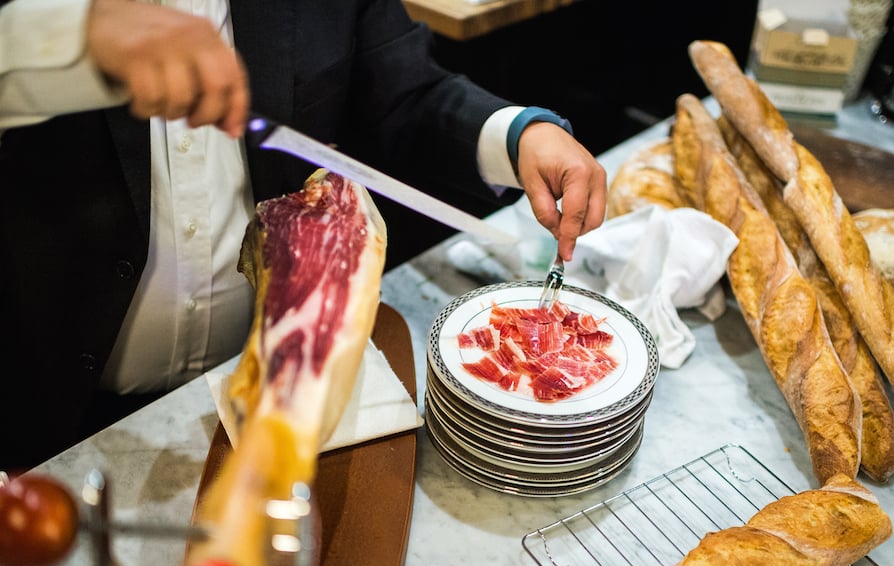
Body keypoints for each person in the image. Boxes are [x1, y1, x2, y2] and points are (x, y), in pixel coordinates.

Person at [0, 0, 607, 472]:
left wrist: (517, 136)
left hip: (271, 385)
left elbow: (404, 92)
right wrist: (71, 37)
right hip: (51, 418)